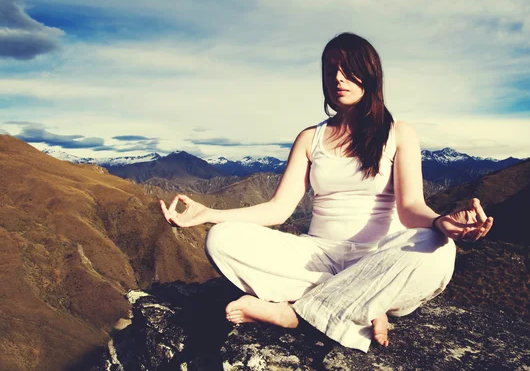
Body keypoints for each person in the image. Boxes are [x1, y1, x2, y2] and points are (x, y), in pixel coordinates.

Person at [160, 32, 493, 352]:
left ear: (370, 74)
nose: (337, 78)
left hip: (378, 258)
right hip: (318, 256)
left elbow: (410, 209)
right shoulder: (310, 138)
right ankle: (360, 304)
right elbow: (278, 210)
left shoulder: (399, 133)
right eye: (330, 69)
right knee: (221, 239)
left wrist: (441, 223)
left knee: (436, 247)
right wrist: (209, 215)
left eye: (348, 70)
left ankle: (294, 314)